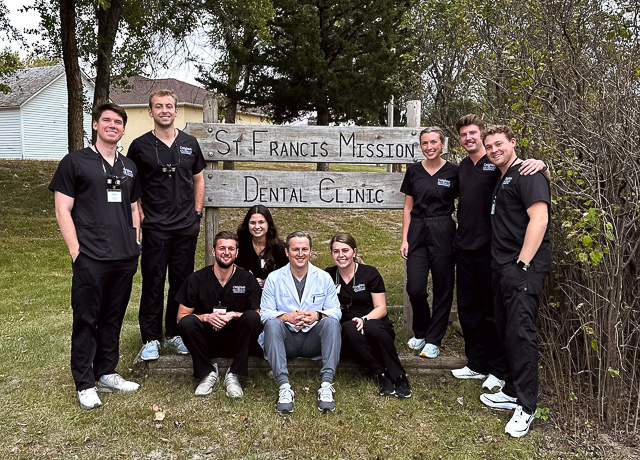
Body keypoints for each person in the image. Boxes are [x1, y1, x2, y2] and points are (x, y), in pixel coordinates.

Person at [49, 103, 141, 410]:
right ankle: (85, 382)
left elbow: (133, 208)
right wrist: (76, 252)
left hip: (124, 255)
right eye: (107, 121)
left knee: (112, 317)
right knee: (87, 319)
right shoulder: (75, 162)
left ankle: (106, 372)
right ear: (94, 125)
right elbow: (63, 209)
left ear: (124, 130)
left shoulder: (128, 166)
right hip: (90, 256)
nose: (113, 125)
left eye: (118, 122)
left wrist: (136, 242)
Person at [451, 114, 547, 391]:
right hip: (464, 248)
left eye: (473, 134)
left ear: (480, 135)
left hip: (492, 251)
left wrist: (543, 165)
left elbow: (526, 175)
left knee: (493, 313)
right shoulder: (462, 168)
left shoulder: (496, 165)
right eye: (463, 135)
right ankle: (476, 362)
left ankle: (497, 368)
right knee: (469, 310)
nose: (469, 138)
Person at [479, 125, 551, 438]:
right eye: (489, 146)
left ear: (513, 143)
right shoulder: (503, 176)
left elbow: (540, 218)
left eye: (499, 144)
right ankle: (510, 392)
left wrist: (522, 263)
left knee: (521, 336)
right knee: (506, 332)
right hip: (503, 269)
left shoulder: (528, 174)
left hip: (522, 269)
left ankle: (526, 407)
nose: (494, 150)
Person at [127, 89, 206, 361]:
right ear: (150, 112)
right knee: (153, 281)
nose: (164, 110)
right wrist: (141, 216)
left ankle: (174, 332)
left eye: (169, 106)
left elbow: (198, 180)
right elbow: (132, 186)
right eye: (158, 106)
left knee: (181, 283)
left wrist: (196, 213)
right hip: (155, 227)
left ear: (175, 111)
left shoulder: (190, 144)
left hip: (185, 226)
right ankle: (151, 337)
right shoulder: (139, 146)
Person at [260, 231, 342, 413]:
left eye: (304, 249)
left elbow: (336, 311)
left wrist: (317, 316)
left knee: (332, 323)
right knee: (272, 323)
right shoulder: (274, 279)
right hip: (286, 340)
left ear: (311, 251)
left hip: (313, 340)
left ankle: (327, 384)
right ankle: (284, 387)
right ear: (287, 252)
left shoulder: (323, 277)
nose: (300, 253)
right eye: (295, 249)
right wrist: (285, 317)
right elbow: (264, 314)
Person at [175, 231, 262, 397]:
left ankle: (234, 374)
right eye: (222, 248)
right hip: (207, 340)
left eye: (231, 248)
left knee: (252, 317)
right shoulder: (197, 279)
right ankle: (207, 372)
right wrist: (206, 317)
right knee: (187, 323)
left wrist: (233, 315)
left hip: (237, 339)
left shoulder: (247, 279)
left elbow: (258, 314)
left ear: (237, 252)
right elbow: (181, 316)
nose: (226, 252)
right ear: (214, 251)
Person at [325, 232, 411, 399]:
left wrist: (364, 319)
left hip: (374, 322)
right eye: (336, 251)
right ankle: (381, 374)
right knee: (349, 327)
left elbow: (381, 308)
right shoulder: (328, 275)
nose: (341, 255)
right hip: (349, 332)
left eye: (345, 250)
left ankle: (399, 376)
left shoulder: (369, 273)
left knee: (370, 325)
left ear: (354, 252)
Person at [400, 127, 459, 359]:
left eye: (434, 142)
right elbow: (407, 207)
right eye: (425, 143)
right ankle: (422, 331)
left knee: (443, 288)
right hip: (417, 230)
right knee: (415, 287)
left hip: (443, 228)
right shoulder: (414, 171)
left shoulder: (454, 172)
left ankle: (434, 339)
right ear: (420, 146)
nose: (429, 147)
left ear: (442, 144)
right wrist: (405, 238)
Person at [236, 205, 288, 288]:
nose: (257, 226)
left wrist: (266, 282)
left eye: (261, 222)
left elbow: (284, 276)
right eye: (252, 223)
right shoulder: (241, 247)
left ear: (268, 223)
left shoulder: (280, 249)